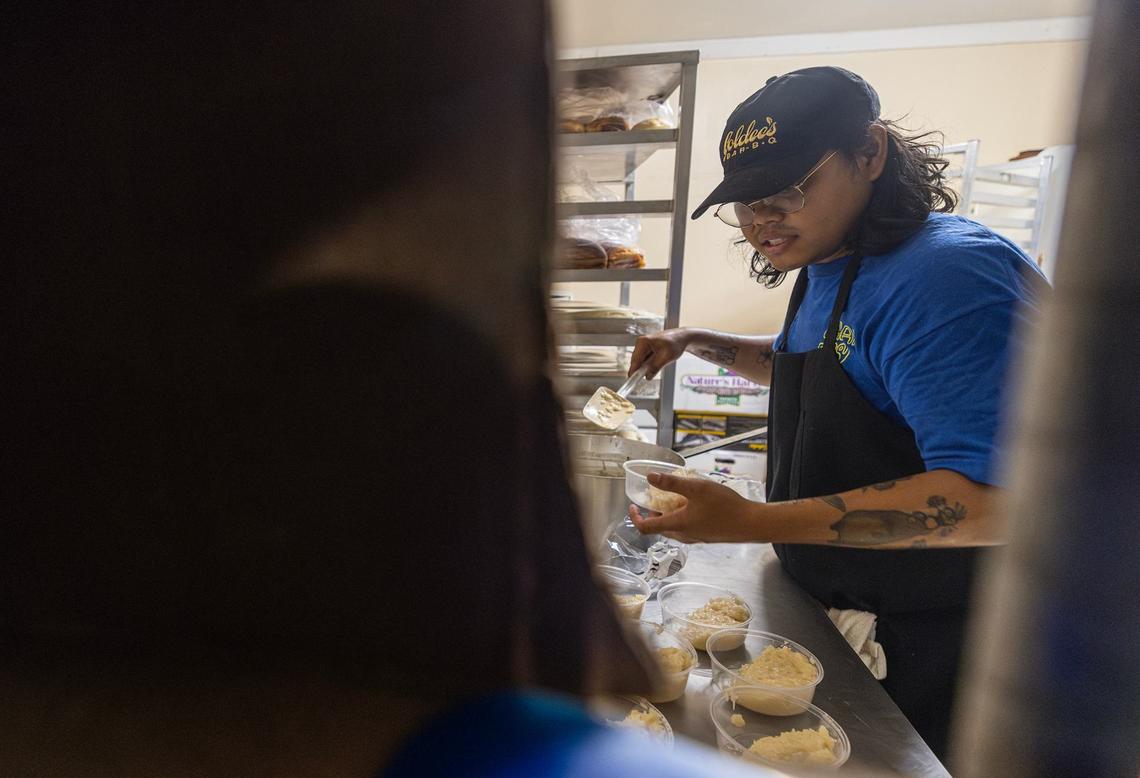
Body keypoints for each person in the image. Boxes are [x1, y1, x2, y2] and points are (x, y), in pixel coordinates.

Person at [627, 66, 1047, 758]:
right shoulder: (834, 261)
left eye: (789, 189)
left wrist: (752, 523)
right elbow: (825, 366)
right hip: (852, 611)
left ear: (871, 153)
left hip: (940, 640)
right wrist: (694, 340)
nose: (762, 221)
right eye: (745, 202)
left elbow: (994, 500)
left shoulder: (945, 280)